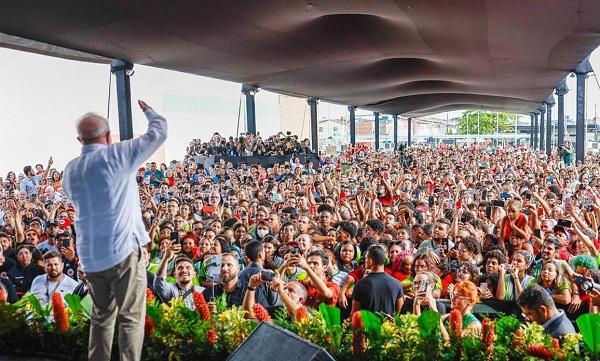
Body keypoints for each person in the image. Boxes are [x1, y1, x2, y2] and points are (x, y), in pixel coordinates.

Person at [62, 100, 167, 361]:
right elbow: (159, 132)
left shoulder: (71, 169)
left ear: (79, 140)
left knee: (101, 316)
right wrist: (149, 111)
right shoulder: (117, 155)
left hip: (90, 255)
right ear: (108, 136)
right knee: (131, 317)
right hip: (122, 251)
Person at [351, 244, 404, 316]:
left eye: (366, 258)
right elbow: (399, 311)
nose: (365, 261)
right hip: (389, 326)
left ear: (370, 261)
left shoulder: (361, 284)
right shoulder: (396, 283)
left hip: (368, 326)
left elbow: (354, 313)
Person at [153, 241, 204, 310]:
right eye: (180, 268)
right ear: (174, 274)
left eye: (188, 268)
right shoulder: (169, 289)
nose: (184, 270)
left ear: (194, 274)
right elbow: (159, 281)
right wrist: (166, 258)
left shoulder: (202, 291)